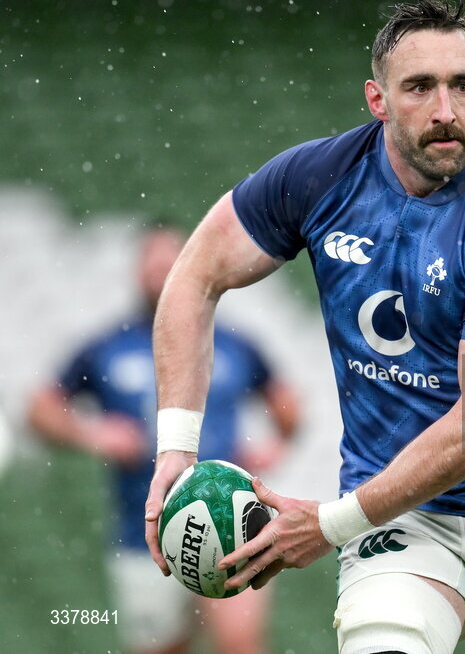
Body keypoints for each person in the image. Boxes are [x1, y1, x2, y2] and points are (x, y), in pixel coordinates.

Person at [143, 0, 465, 654]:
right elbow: (194, 275)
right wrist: (176, 445)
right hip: (404, 513)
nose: (445, 111)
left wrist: (329, 523)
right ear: (378, 99)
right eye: (419, 88)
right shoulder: (319, 178)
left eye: (462, 87)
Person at [29, 224, 301, 654]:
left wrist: (277, 446)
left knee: (241, 644)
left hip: (229, 519)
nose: (161, 272)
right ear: (138, 272)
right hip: (145, 533)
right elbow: (41, 408)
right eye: (152, 263)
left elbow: (287, 404)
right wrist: (92, 433)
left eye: (170, 262)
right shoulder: (107, 347)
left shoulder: (231, 343)